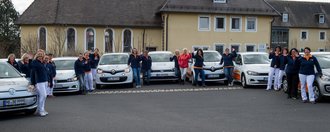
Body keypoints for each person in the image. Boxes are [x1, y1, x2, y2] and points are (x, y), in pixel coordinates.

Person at [30, 52, 50, 117]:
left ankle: (41, 109)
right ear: (37, 56)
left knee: (44, 96)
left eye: (41, 56)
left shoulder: (41, 63)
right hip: (39, 82)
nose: (40, 57)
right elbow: (32, 71)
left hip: (44, 81)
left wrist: (48, 81)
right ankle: (40, 110)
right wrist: (33, 82)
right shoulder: (35, 62)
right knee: (43, 95)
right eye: (39, 56)